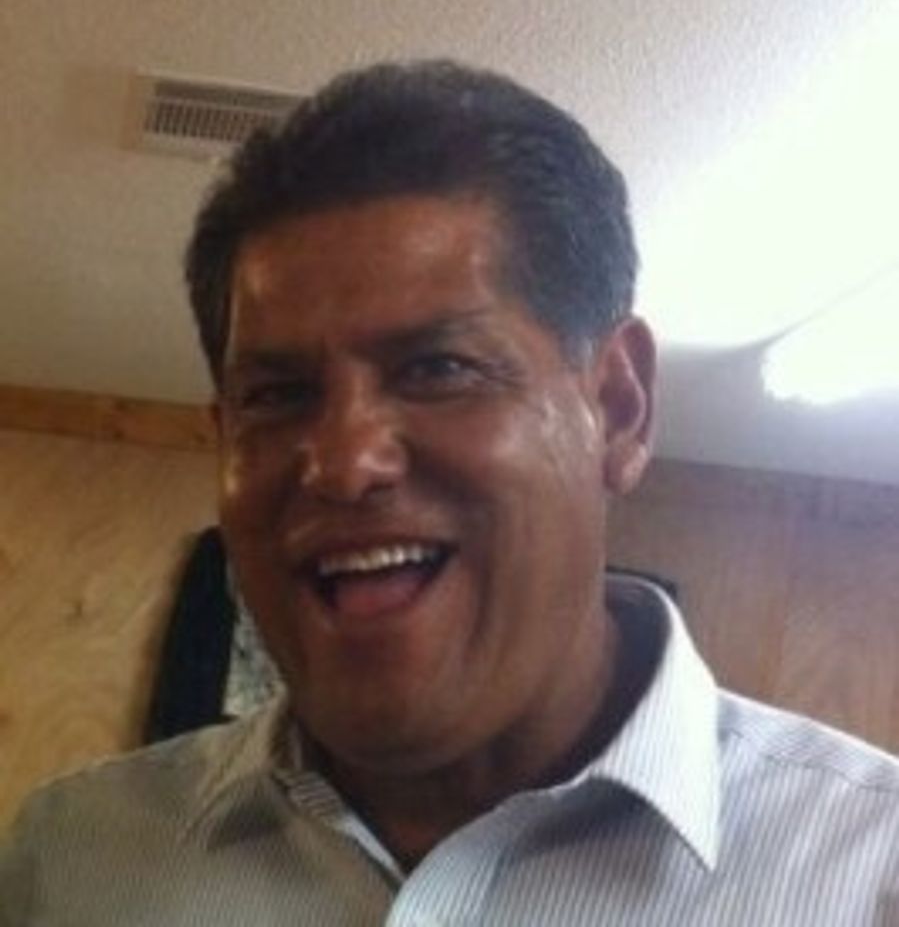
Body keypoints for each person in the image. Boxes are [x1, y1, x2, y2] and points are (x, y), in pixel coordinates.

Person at [2, 61, 897, 925]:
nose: (344, 463)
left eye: (438, 368)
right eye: (275, 396)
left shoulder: (871, 874)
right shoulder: (72, 859)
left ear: (618, 410)